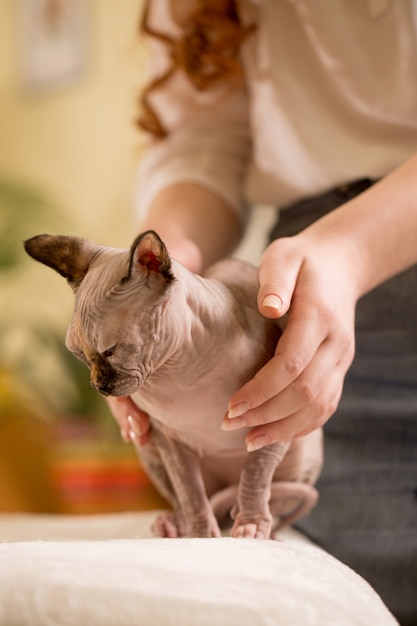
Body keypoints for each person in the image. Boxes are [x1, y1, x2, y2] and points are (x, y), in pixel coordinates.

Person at [107, 2, 417, 623]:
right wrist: (165, 270)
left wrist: (352, 248)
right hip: (307, 313)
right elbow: (203, 143)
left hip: (338, 264)